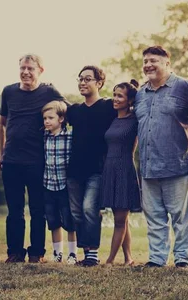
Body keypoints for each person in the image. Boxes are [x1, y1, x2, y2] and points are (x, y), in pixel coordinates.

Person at [0, 54, 65, 263]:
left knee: (38, 210)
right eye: (23, 68)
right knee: (14, 210)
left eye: (31, 68)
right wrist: (1, 154)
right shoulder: (8, 91)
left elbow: (65, 112)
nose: (26, 72)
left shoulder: (49, 91)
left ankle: (37, 253)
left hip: (37, 161)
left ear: (40, 71)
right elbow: (1, 124)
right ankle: (15, 252)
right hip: (11, 161)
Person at [134, 46, 188, 269]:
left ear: (167, 64)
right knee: (154, 217)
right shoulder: (140, 93)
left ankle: (183, 258)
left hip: (177, 164)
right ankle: (157, 258)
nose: (148, 65)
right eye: (146, 61)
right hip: (149, 167)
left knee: (182, 217)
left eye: (154, 61)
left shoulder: (185, 87)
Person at [67, 65, 117, 267]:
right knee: (77, 212)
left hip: (97, 169)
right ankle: (86, 251)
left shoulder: (108, 106)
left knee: (90, 208)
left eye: (87, 79)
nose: (82, 82)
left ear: (99, 83)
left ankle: (93, 254)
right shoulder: (74, 111)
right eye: (80, 79)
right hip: (74, 170)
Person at [103, 80, 141, 266]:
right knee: (122, 219)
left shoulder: (135, 120)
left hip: (124, 170)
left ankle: (110, 261)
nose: (115, 99)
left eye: (120, 96)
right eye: (114, 94)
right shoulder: (111, 118)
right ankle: (128, 258)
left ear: (129, 101)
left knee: (120, 219)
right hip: (109, 170)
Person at [42, 101, 77, 265]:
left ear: (61, 118)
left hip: (65, 186)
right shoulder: (44, 136)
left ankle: (72, 254)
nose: (46, 121)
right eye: (44, 119)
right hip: (48, 185)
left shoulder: (70, 136)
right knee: (53, 220)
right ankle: (57, 253)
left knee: (70, 221)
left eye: (50, 118)